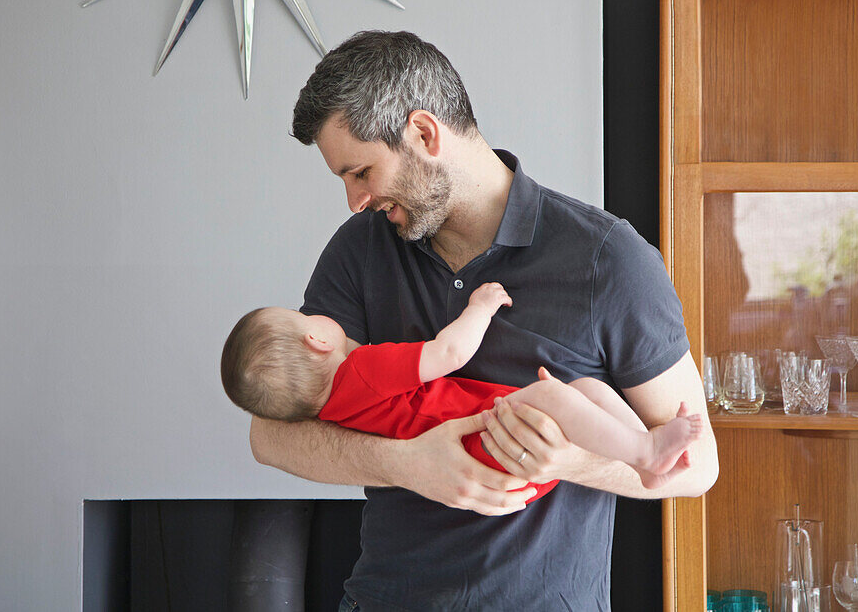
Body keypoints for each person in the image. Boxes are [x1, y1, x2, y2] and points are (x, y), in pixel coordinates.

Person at [249, 30, 718, 610]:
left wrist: (567, 458)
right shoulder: (359, 250)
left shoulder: (608, 259)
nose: (355, 200)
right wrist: (407, 464)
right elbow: (270, 434)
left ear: (424, 133)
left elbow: (698, 468)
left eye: (361, 172)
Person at [223, 282, 704, 504]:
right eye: (305, 317)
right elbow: (448, 352)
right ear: (317, 339)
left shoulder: (332, 412)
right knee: (561, 394)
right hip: (491, 437)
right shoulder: (361, 369)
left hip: (495, 472)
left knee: (583, 391)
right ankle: (646, 448)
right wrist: (481, 306)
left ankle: (647, 462)